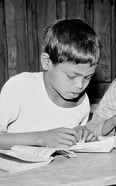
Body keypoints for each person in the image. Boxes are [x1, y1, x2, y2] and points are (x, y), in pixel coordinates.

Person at [0, 18, 101, 149]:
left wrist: (80, 133)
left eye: (88, 77)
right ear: (47, 62)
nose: (80, 85)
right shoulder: (20, 86)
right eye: (71, 76)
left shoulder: (82, 101)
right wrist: (41, 138)